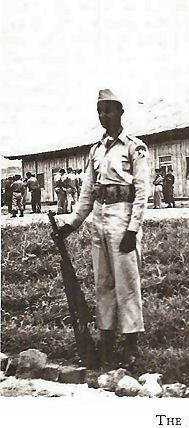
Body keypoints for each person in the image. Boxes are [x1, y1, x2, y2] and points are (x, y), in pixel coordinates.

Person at [56, 89, 150, 368]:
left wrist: (133, 230)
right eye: (100, 110)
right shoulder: (95, 150)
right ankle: (107, 340)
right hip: (100, 218)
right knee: (103, 283)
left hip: (123, 219)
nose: (103, 116)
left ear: (120, 112)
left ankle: (131, 343)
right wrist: (71, 224)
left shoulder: (134, 147)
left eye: (108, 110)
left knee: (127, 283)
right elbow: (86, 193)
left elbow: (142, 191)